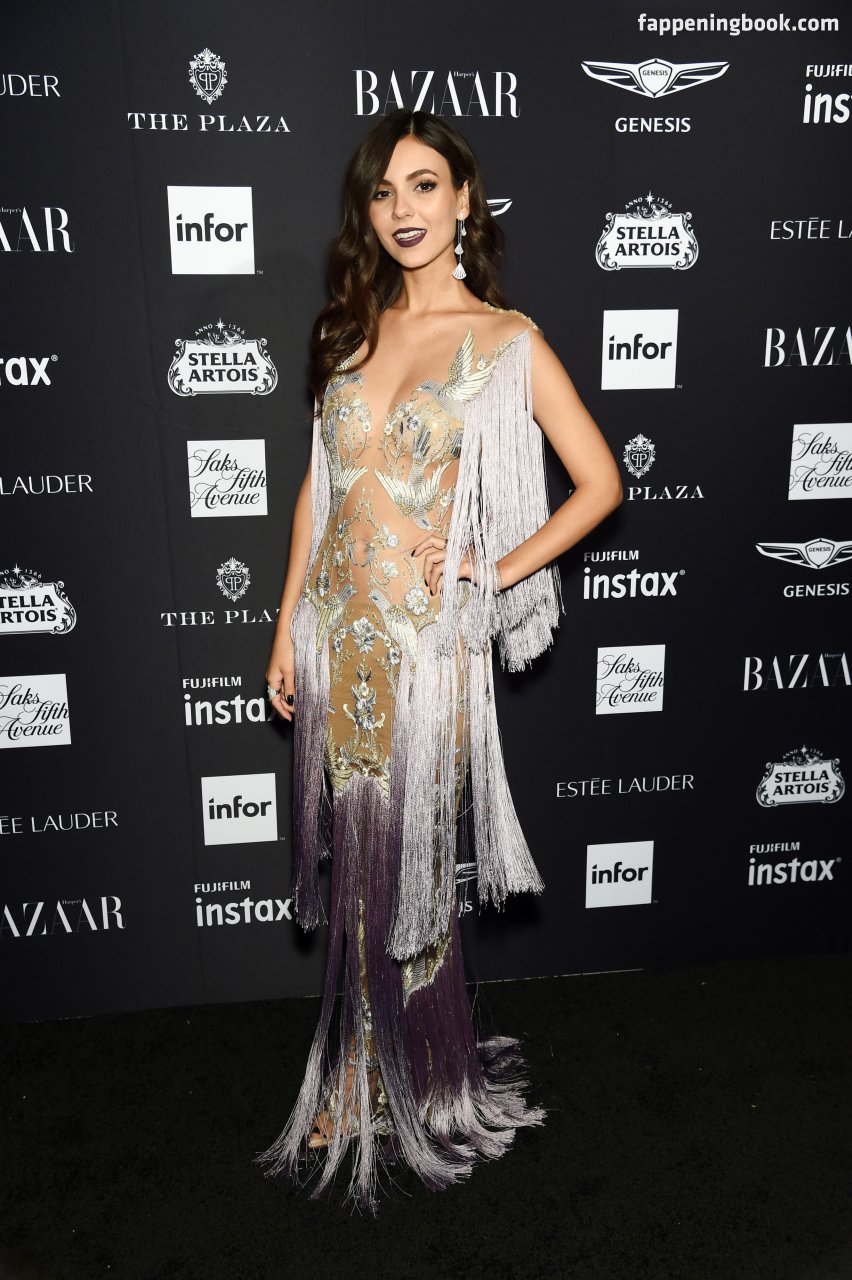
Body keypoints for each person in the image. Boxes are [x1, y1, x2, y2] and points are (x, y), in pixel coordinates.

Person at [254, 108, 622, 1215]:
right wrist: (285, 624)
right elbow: (319, 489)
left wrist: (487, 567)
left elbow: (600, 482)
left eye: (425, 185)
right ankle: (385, 1063)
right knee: (359, 871)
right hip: (337, 637)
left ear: (465, 200)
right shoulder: (351, 329)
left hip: (424, 650)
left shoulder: (505, 341)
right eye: (383, 191)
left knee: (406, 871)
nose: (403, 209)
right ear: (367, 213)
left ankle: (398, 1074)